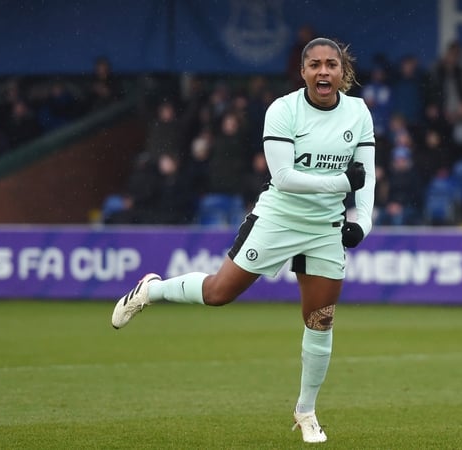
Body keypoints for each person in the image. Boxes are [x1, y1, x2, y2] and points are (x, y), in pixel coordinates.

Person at [110, 37, 375, 444]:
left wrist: (363, 222)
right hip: (278, 218)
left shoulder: (358, 112)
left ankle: (306, 411)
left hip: (324, 228)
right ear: (303, 72)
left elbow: (367, 175)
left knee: (320, 320)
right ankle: (152, 290)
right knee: (219, 293)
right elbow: (284, 177)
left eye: (331, 65)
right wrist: (341, 182)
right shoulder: (283, 110)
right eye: (315, 65)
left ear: (342, 72)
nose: (324, 71)